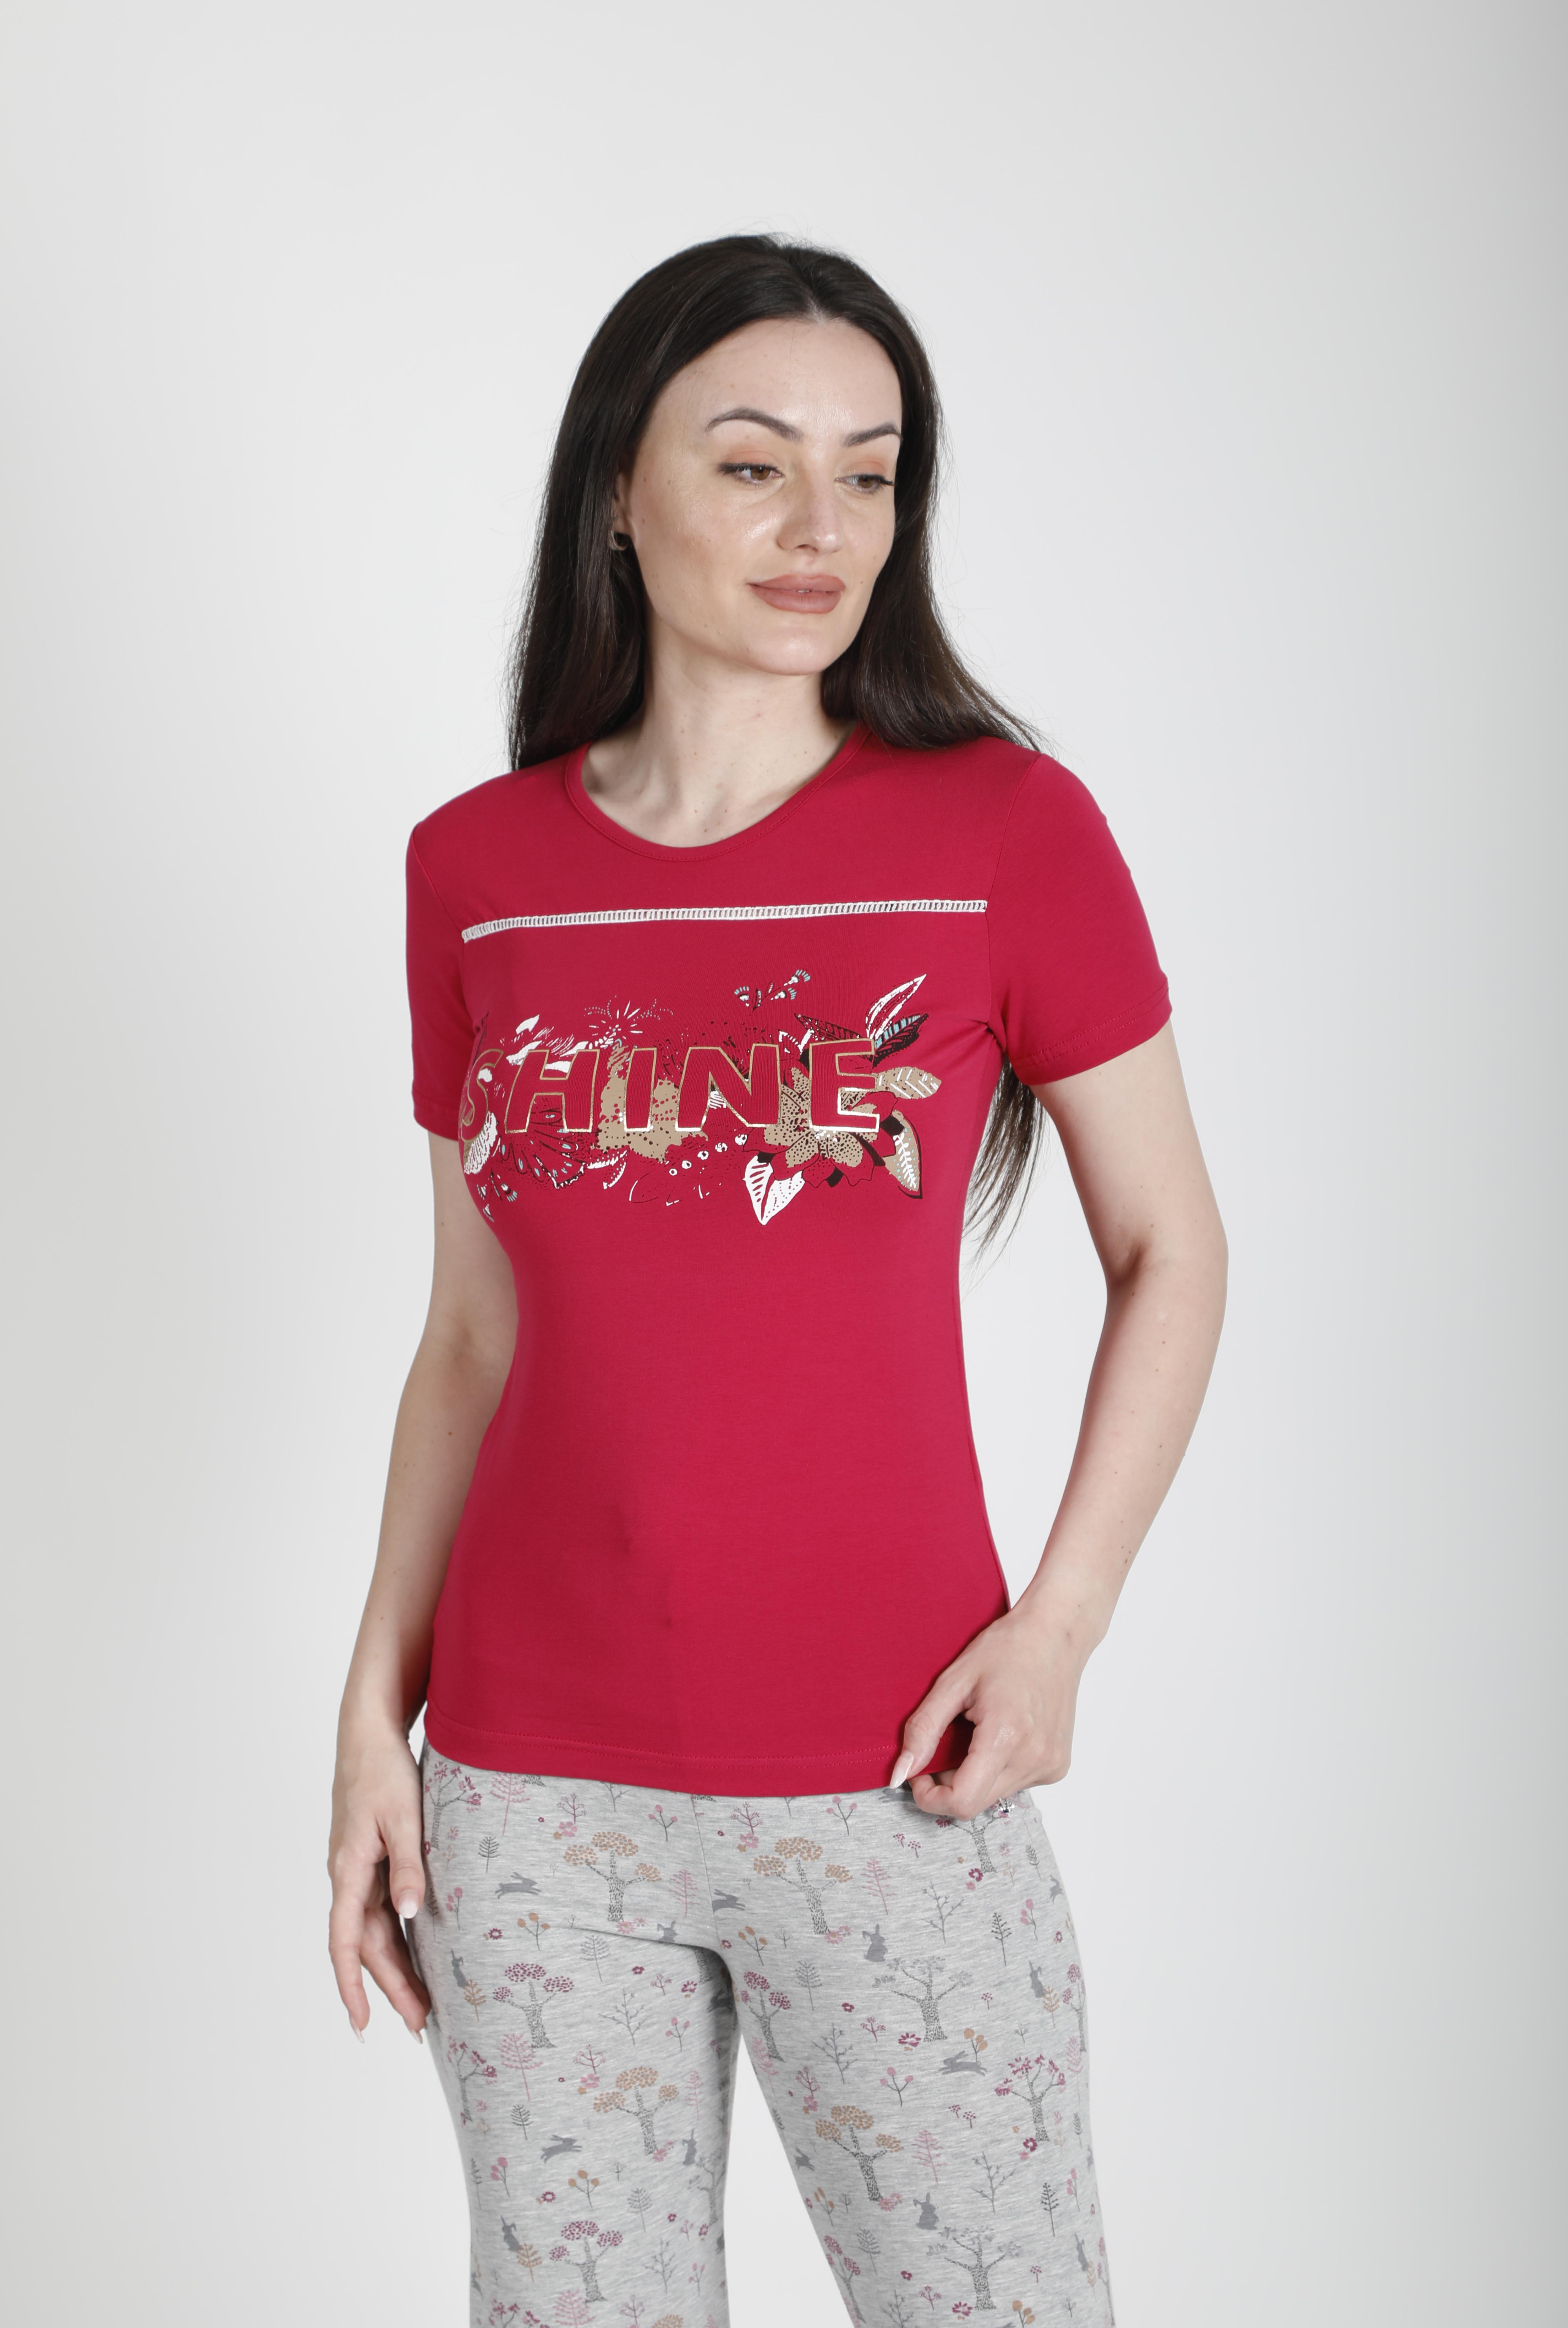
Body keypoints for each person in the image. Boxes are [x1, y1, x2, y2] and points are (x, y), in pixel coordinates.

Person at [327, 234, 1227, 2328]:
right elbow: (470, 1339)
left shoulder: (1006, 831)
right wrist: (374, 1718)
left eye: (871, 472)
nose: (822, 525)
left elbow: (1170, 1248)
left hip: (899, 1765)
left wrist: (1061, 1630)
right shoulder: (476, 873)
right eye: (752, 465)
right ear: (616, 497)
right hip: (533, 1798)